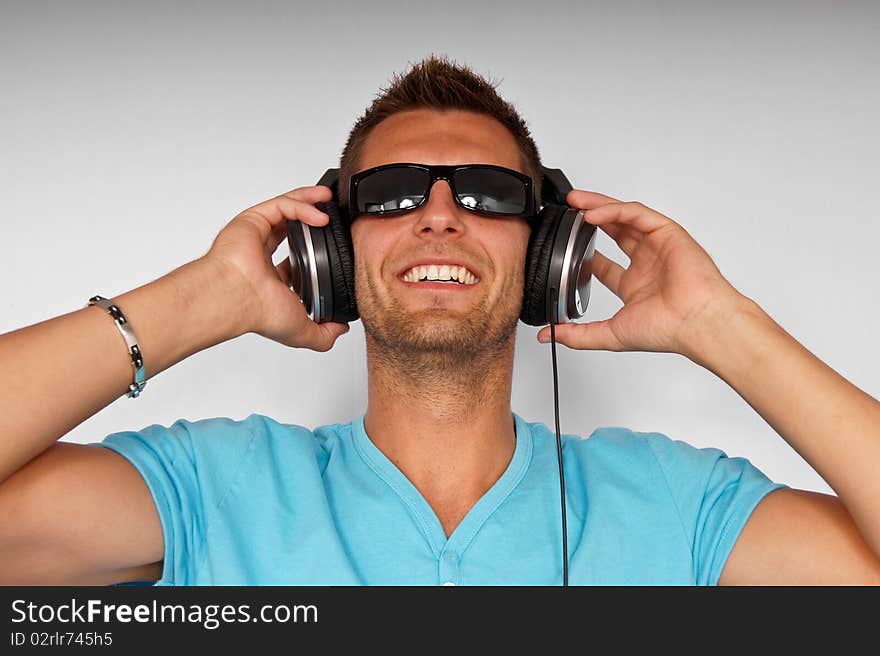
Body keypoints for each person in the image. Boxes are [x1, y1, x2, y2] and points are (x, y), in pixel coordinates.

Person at [1, 55, 878, 586]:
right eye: (391, 194)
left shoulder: (674, 505)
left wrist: (719, 323)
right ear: (331, 253)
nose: (439, 214)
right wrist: (203, 299)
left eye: (488, 194)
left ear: (549, 256)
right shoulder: (214, 488)